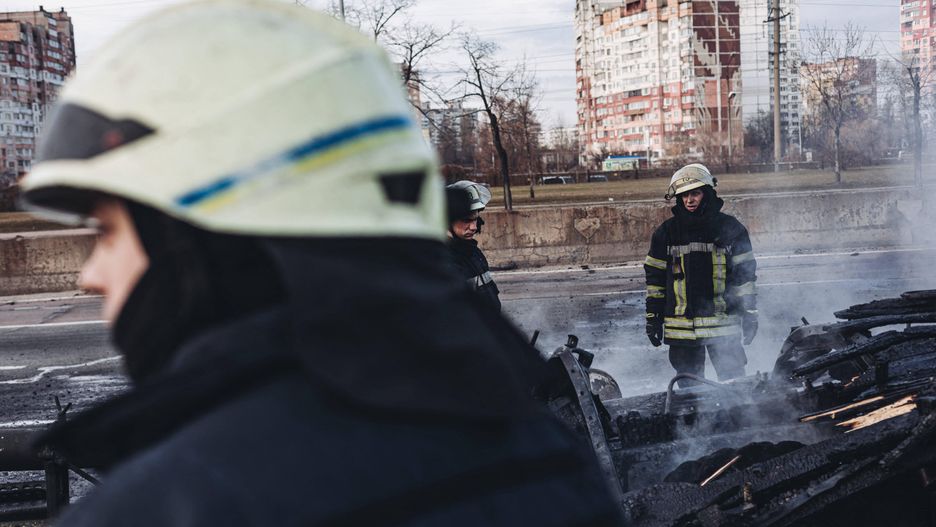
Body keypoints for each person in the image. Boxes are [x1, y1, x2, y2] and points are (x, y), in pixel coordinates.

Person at [21, 2, 622, 525]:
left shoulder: (163, 508)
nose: (89, 274)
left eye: (106, 232)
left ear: (199, 240)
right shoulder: (542, 456)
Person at [643, 164, 758, 386]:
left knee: (735, 387)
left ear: (707, 193)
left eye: (695, 193)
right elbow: (655, 281)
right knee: (690, 397)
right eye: (684, 195)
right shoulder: (666, 233)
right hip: (682, 333)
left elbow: (745, 279)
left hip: (724, 327)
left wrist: (750, 314)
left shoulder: (731, 229)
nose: (689, 200)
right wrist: (652, 319)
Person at [445, 181, 501, 311]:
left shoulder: (473, 252)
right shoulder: (443, 261)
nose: (474, 227)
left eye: (475, 219)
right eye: (466, 220)